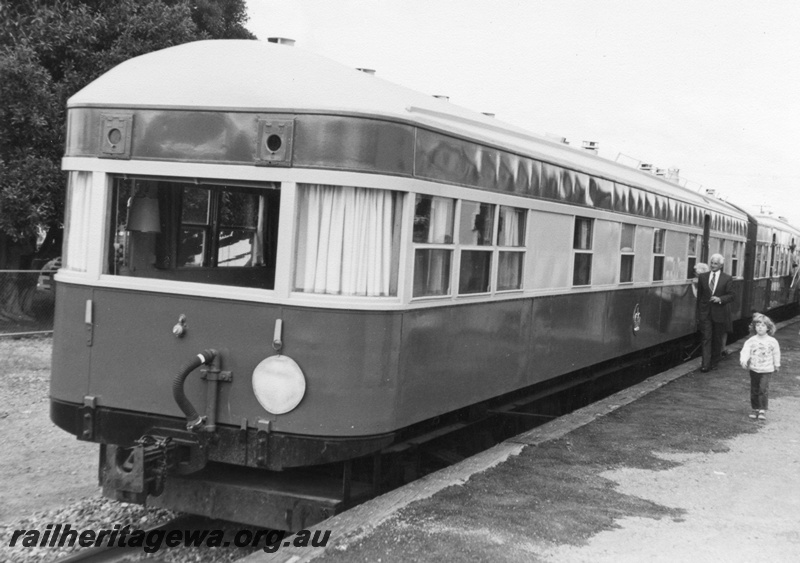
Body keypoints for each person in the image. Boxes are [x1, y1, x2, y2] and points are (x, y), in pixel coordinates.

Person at [696, 253, 735, 372]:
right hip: (705, 313)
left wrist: (720, 299)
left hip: (719, 312)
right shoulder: (703, 277)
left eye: (715, 263)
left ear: (721, 265)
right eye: (711, 263)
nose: (713, 265)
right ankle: (705, 364)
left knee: (717, 339)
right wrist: (698, 313)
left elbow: (732, 295)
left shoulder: (727, 278)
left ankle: (714, 362)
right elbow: (700, 297)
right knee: (706, 338)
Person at [739, 313, 780, 420]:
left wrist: (777, 364)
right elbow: (745, 351)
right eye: (758, 325)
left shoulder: (772, 341)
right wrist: (743, 360)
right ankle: (755, 408)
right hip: (754, 369)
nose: (760, 328)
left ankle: (762, 409)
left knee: (763, 389)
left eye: (763, 325)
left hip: (767, 369)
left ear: (768, 328)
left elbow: (776, 353)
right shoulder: (751, 341)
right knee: (754, 389)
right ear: (754, 327)